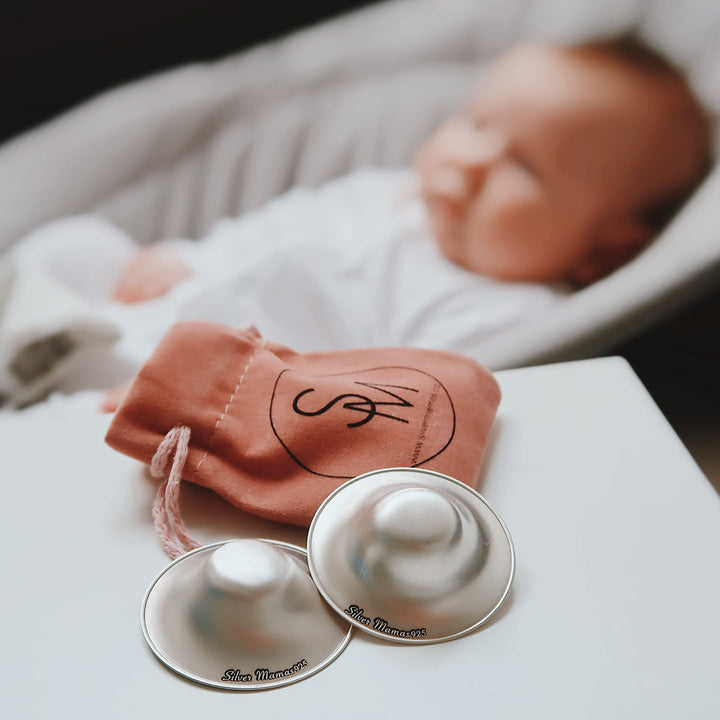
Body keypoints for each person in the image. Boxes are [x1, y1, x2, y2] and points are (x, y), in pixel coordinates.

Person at [2, 37, 712, 411]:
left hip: (202, 380)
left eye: (525, 166)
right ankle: (34, 340)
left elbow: (382, 403)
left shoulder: (498, 311)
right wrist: (190, 257)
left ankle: (38, 381)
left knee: (89, 423)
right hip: (156, 303)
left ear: (604, 250)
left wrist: (238, 401)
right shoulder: (391, 192)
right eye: (474, 123)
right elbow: (281, 222)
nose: (468, 163)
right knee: (75, 244)